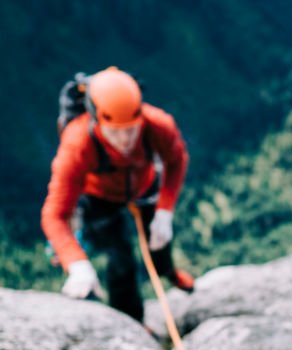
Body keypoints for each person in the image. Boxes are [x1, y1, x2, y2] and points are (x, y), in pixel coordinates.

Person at [41, 67, 194, 322]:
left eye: (131, 129)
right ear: (96, 119)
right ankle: (133, 323)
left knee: (160, 240)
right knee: (121, 259)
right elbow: (54, 215)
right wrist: (77, 264)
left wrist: (165, 211)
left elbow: (176, 160)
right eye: (115, 131)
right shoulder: (77, 144)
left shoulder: (157, 124)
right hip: (100, 199)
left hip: (144, 188)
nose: (125, 139)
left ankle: (168, 272)